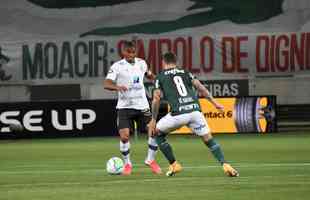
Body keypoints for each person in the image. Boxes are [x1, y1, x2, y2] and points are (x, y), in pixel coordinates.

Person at [148, 52, 239, 177]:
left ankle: (174, 164)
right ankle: (225, 164)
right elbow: (200, 87)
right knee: (209, 140)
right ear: (176, 62)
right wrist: (215, 103)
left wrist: (153, 119)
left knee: (156, 132)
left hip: (178, 113)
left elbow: (156, 98)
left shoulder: (160, 76)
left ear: (163, 62)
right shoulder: (186, 72)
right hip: (195, 111)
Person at [104, 40, 161, 175]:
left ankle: (150, 160)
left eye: (133, 52)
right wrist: (117, 87)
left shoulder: (142, 63)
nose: (131, 55)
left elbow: (150, 75)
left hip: (142, 106)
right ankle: (127, 163)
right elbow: (106, 83)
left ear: (136, 52)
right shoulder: (117, 66)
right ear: (123, 52)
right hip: (124, 107)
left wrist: (158, 82)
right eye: (128, 52)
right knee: (124, 137)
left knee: (154, 132)